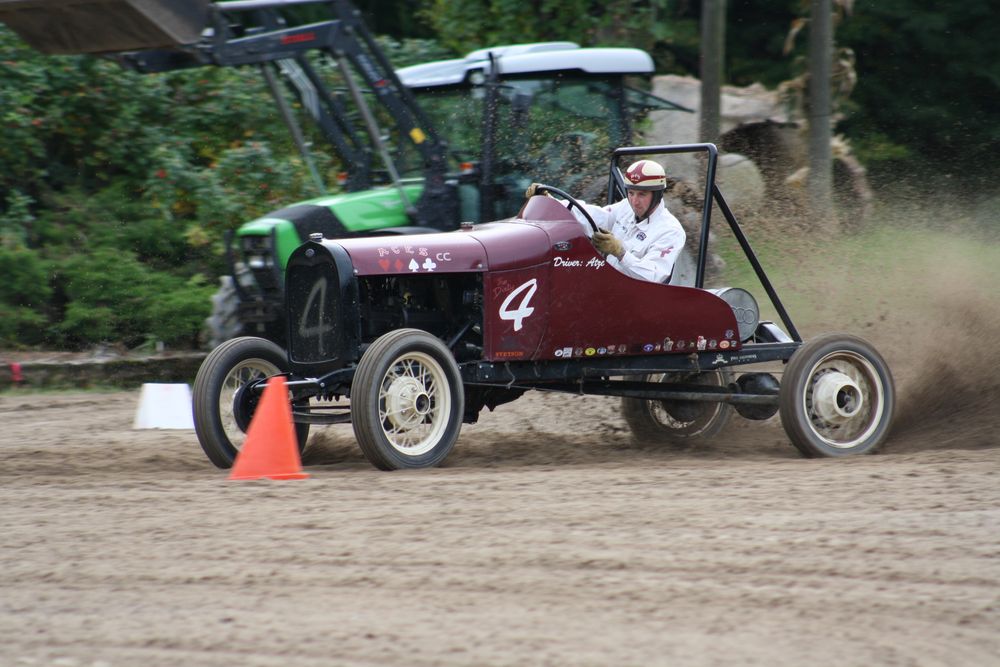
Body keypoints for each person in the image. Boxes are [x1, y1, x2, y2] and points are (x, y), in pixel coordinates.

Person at [525, 159, 686, 283]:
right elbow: (592, 217)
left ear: (657, 194)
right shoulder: (625, 208)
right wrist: (552, 202)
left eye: (642, 194)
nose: (634, 201)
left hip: (641, 304)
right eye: (631, 193)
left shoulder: (671, 231)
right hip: (607, 290)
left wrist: (620, 252)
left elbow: (653, 276)